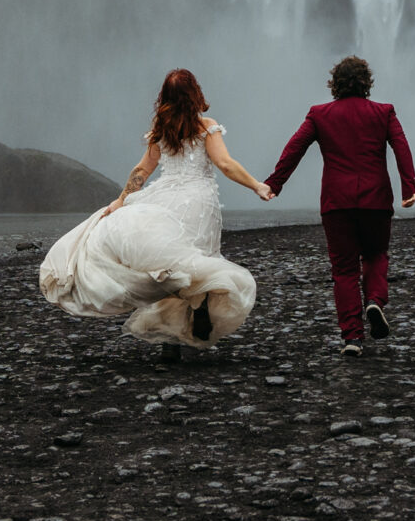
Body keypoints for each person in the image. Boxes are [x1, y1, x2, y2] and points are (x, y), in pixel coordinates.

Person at [38, 68, 270, 357]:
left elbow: (142, 171)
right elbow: (224, 163)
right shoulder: (206, 127)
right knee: (197, 260)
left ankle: (169, 342)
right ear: (195, 93)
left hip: (165, 200)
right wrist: (256, 185)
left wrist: (120, 201)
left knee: (166, 267)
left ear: (165, 97)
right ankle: (198, 306)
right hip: (199, 202)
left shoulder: (161, 130)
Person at [264, 55, 415, 357]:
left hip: (336, 203)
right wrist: (409, 187)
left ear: (334, 84)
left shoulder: (320, 115)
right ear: (366, 83)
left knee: (344, 270)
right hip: (376, 199)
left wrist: (274, 183)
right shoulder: (383, 113)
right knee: (375, 253)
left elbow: (294, 148)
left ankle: (352, 338)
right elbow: (402, 146)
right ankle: (374, 300)